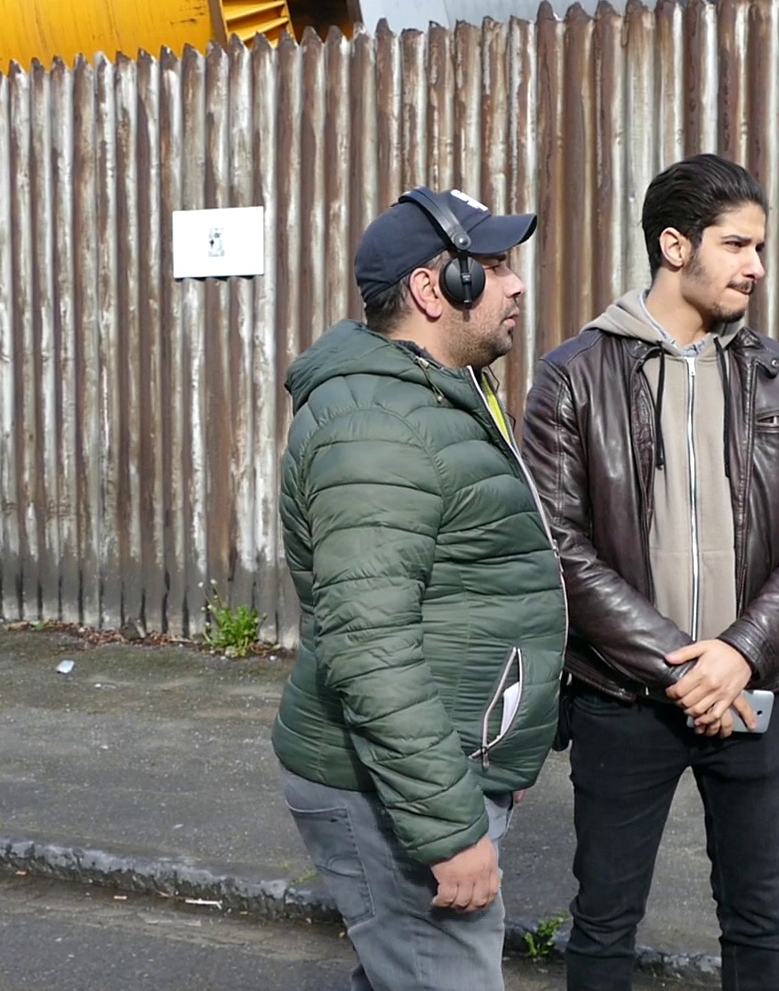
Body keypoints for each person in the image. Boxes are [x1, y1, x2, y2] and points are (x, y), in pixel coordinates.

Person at [520, 152, 779, 991]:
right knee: (605, 922)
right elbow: (557, 544)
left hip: (750, 692)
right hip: (622, 697)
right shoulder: (573, 377)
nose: (756, 266)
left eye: (760, 247)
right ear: (675, 246)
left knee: (759, 922)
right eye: (737, 245)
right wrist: (679, 666)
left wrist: (739, 653)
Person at [272, 186, 566, 991]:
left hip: (436, 767)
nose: (516, 284)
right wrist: (448, 828)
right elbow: (370, 648)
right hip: (393, 790)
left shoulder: (437, 394)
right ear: (435, 289)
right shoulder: (379, 428)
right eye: (495, 266)